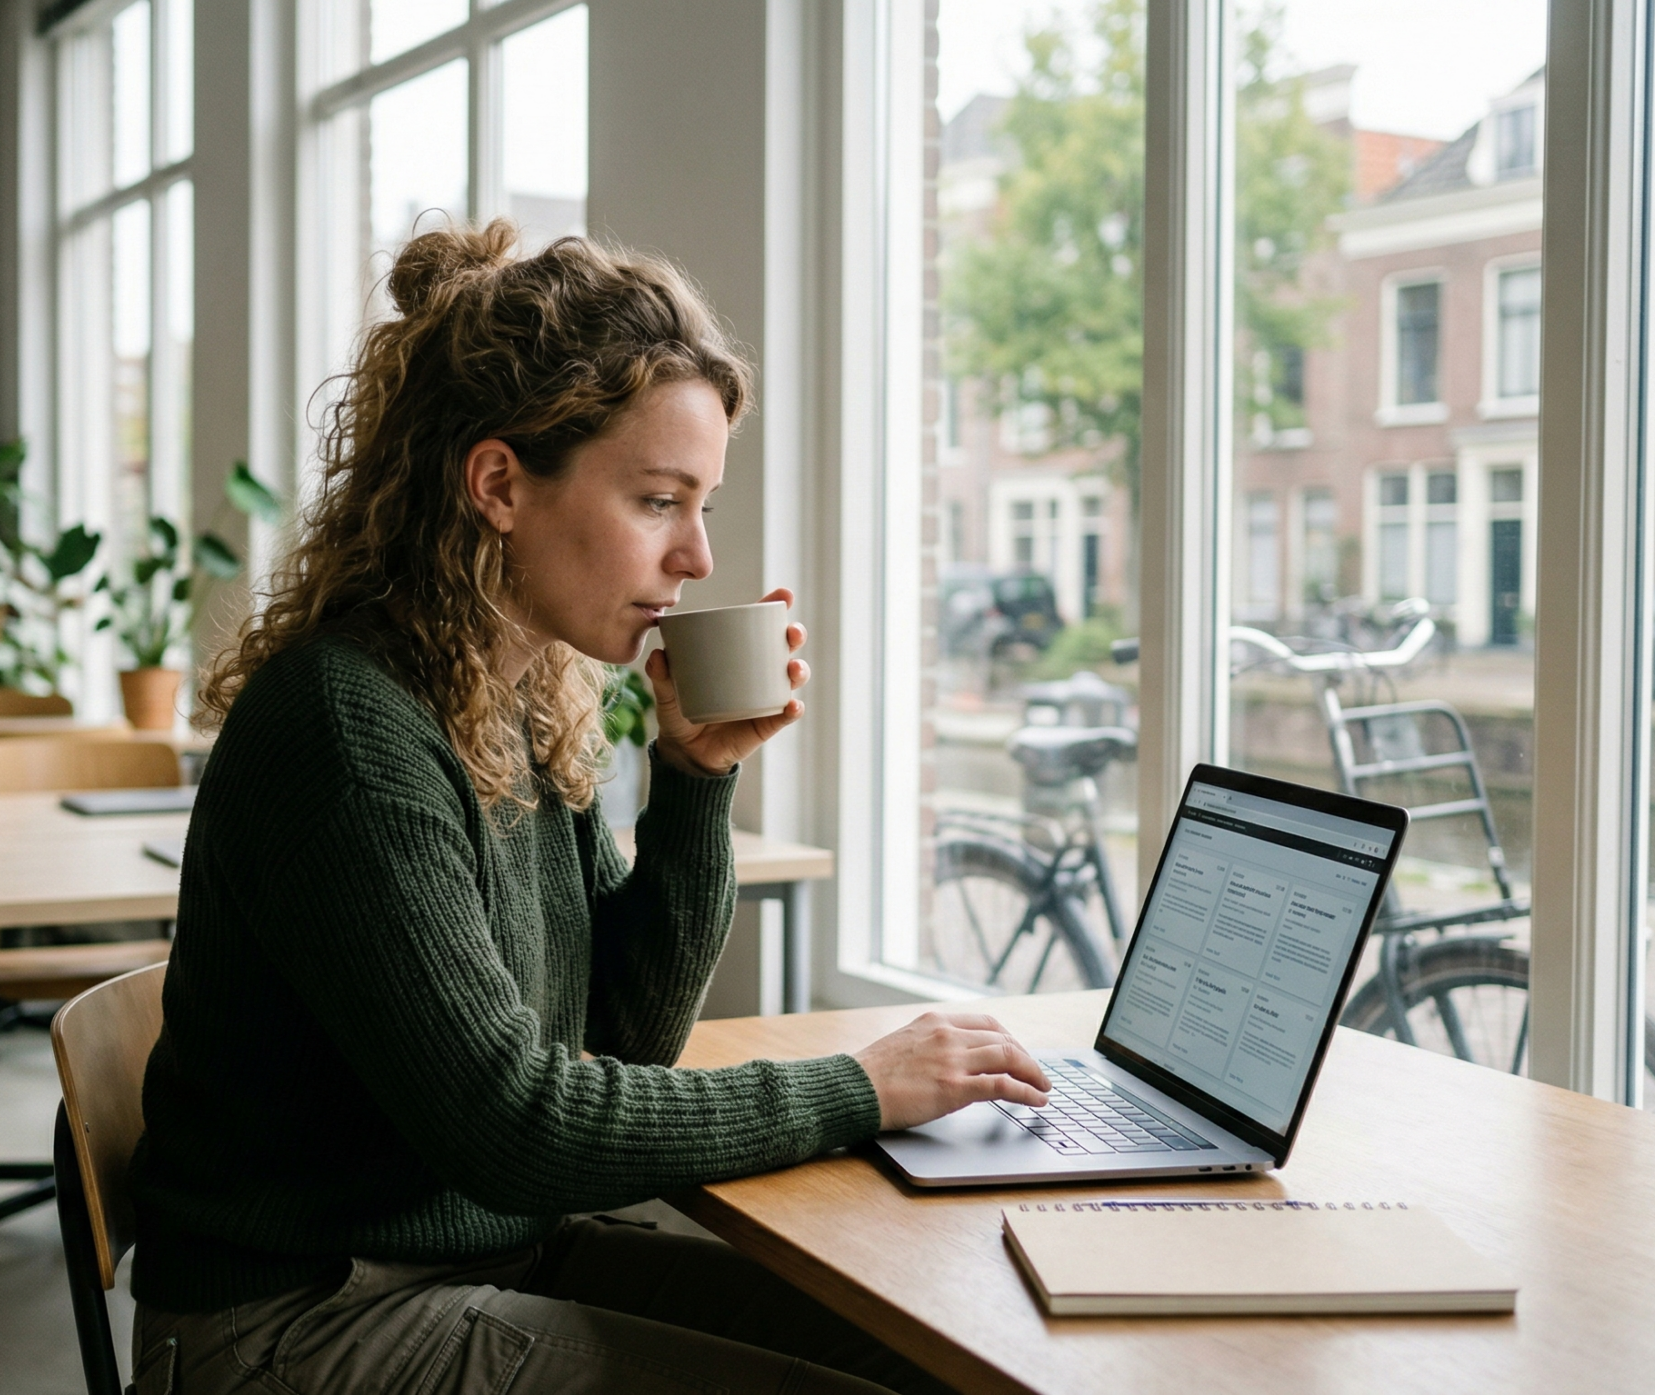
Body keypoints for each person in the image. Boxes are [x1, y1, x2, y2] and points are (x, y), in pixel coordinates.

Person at [127, 221, 1050, 1394]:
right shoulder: (349, 728)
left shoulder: (507, 699)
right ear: (500, 483)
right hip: (297, 1322)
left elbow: (621, 1044)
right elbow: (520, 1127)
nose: (700, 558)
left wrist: (696, 783)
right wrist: (860, 1087)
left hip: (487, 1257)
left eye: (702, 504)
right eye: (660, 501)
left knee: (928, 1357)